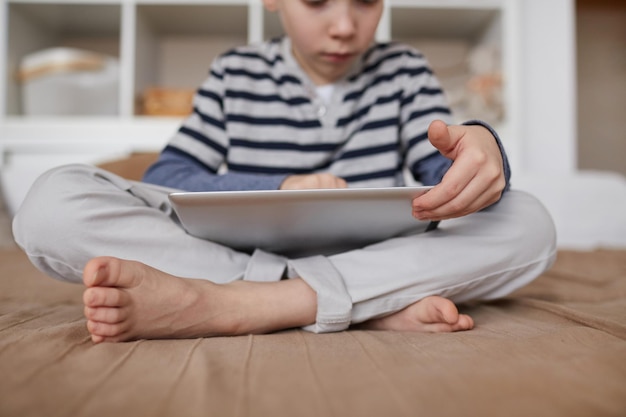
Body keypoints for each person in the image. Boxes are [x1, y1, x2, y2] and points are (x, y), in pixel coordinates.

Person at [12, 0, 556, 343]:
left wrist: (481, 148)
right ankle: (366, 303)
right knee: (52, 204)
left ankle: (240, 305)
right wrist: (280, 187)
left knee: (528, 221)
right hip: (254, 256)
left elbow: (445, 172)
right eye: (317, 1)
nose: (344, 25)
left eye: (366, 1)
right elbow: (171, 174)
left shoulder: (405, 70)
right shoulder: (236, 71)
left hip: (370, 255)